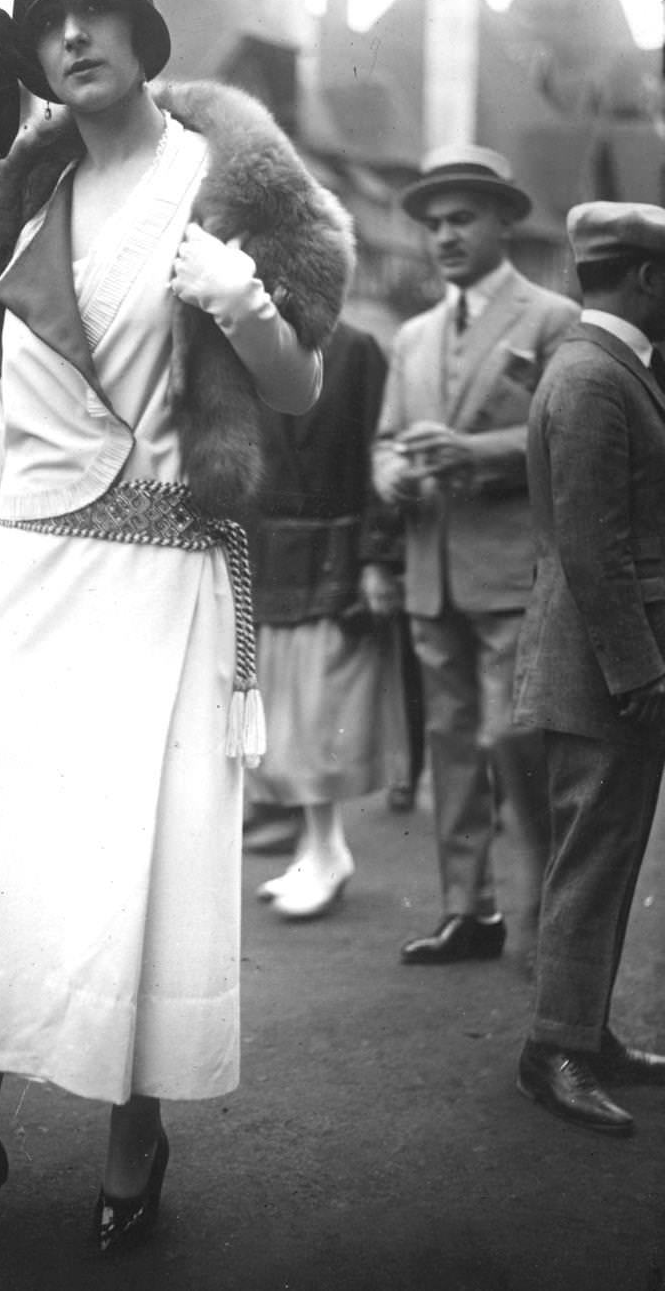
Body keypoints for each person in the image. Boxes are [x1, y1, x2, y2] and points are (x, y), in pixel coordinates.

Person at [0, 0, 353, 1257]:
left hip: (160, 572)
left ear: (139, 31)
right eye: (49, 19)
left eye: (95, 11)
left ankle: (134, 1129)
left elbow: (296, 386)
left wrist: (240, 298)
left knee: (136, 861)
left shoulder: (224, 185)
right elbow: (11, 415)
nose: (72, 36)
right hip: (26, 568)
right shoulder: (31, 191)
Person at [373, 145, 577, 965]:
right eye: (433, 224)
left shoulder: (551, 319)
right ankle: (470, 911)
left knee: (513, 742)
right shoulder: (414, 336)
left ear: (503, 221)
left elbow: (571, 442)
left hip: (509, 571)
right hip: (433, 573)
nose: (444, 237)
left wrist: (474, 453)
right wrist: (394, 474)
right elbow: (387, 442)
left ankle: (544, 921)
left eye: (462, 219)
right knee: (452, 750)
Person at [513, 202, 665, 1135]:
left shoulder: (609, 370)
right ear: (646, 280)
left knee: (609, 854)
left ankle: (585, 1032)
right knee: (592, 858)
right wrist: (638, 670)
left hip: (611, 659)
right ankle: (554, 1052)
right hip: (604, 664)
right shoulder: (590, 379)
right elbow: (591, 546)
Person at [248, 321, 409, 919]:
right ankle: (313, 846)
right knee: (285, 712)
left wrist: (377, 557)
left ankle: (329, 851)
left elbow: (379, 452)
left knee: (319, 717)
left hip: (336, 553)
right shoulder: (249, 345)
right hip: (270, 554)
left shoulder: (358, 349)